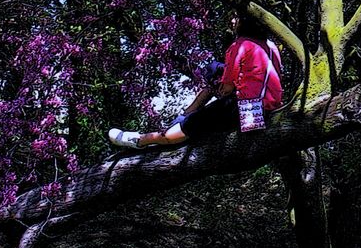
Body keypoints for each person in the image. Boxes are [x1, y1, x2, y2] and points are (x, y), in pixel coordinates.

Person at [108, 12, 284, 149]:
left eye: (236, 18)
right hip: (272, 106)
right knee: (206, 123)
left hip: (246, 107)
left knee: (180, 131)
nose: (232, 21)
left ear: (246, 21)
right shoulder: (271, 46)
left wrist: (220, 89)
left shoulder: (240, 45)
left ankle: (140, 140)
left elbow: (228, 87)